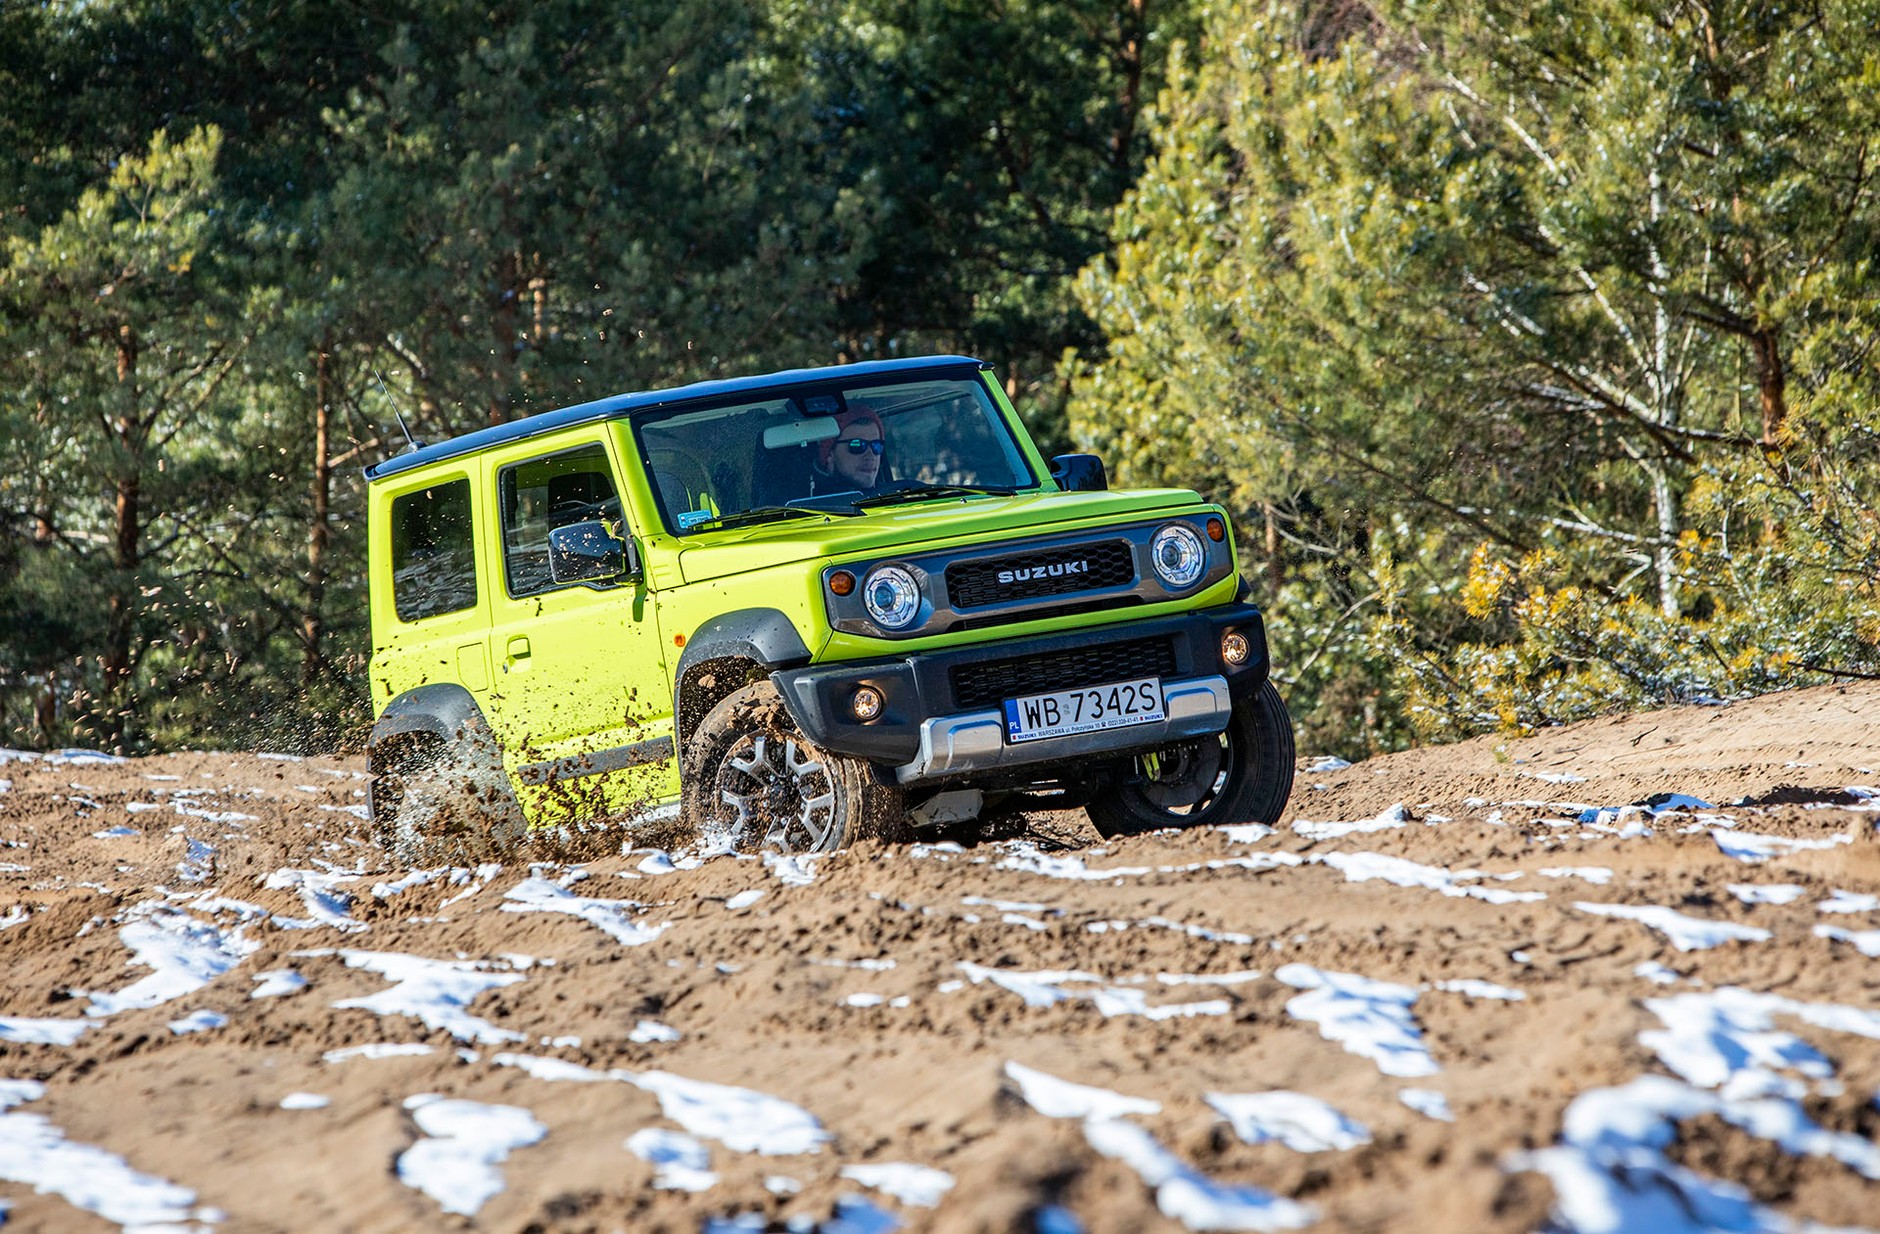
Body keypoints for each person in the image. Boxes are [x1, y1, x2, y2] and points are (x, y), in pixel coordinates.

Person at [809, 404, 887, 495]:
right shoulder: (808, 503)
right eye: (857, 446)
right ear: (830, 454)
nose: (870, 456)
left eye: (876, 445)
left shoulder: (895, 496)